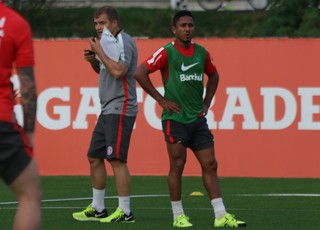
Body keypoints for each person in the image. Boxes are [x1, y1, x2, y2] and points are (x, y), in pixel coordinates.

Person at [134, 10, 246, 228]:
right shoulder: (166, 52)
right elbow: (140, 72)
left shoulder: (202, 53)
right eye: (183, 25)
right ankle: (178, 216)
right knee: (177, 165)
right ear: (174, 29)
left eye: (190, 25)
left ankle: (221, 215)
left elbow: (214, 75)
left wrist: (206, 103)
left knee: (211, 164)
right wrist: (161, 100)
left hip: (197, 119)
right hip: (175, 119)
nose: (187, 29)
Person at [72, 6, 138, 223]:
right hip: (108, 108)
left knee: (116, 159)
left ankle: (125, 211)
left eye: (102, 23)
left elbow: (119, 72)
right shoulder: (107, 42)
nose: (98, 27)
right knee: (94, 156)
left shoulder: (123, 40)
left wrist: (99, 52)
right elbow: (105, 70)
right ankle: (98, 207)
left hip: (120, 106)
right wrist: (94, 61)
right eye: (96, 23)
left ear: (115, 23)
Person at [0, 1, 42, 230]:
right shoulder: (15, 23)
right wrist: (29, 131)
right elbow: (27, 87)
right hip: (2, 124)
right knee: (29, 195)